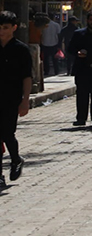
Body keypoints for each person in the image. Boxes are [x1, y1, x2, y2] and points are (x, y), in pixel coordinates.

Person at [0, 11, 32, 189]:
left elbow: (27, 77)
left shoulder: (21, 50)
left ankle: (15, 159)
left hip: (11, 98)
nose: (2, 31)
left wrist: (25, 100)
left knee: (7, 134)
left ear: (14, 28)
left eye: (5, 28)